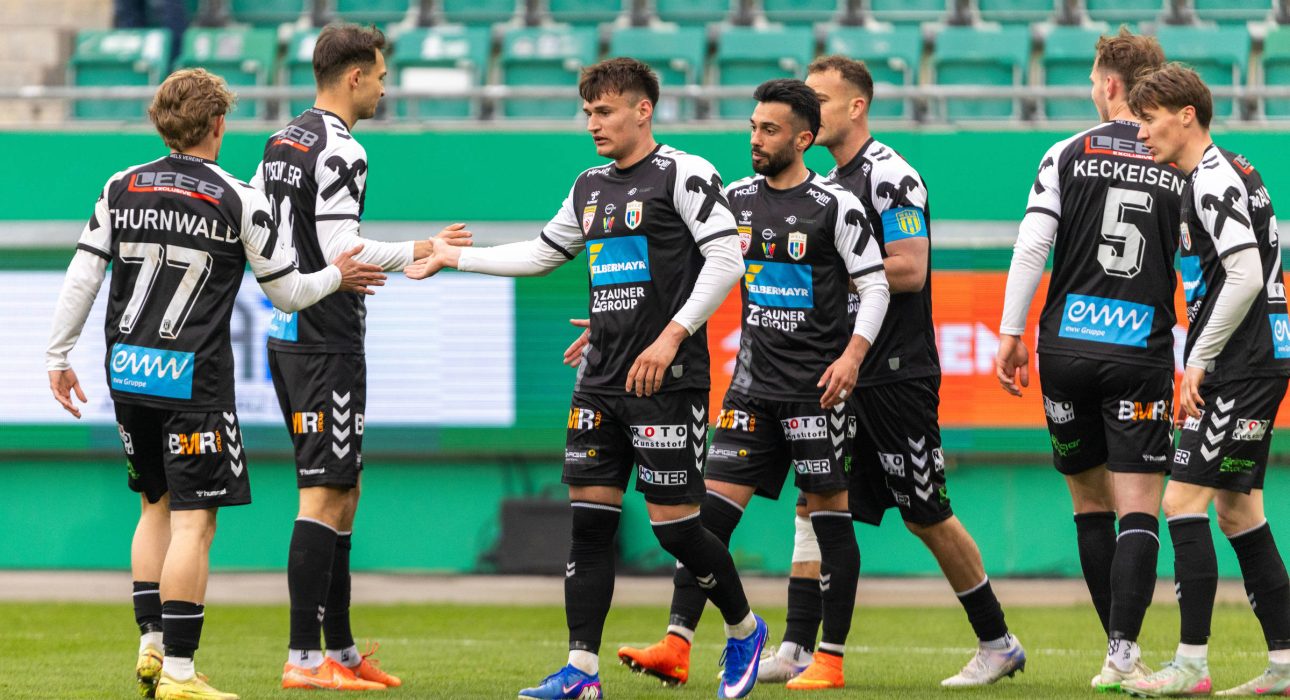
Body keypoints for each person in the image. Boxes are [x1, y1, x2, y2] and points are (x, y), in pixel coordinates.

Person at [404, 57, 766, 700]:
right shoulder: (589, 185)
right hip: (599, 380)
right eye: (587, 112)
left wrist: (670, 336)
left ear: (643, 110)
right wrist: (454, 257)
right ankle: (581, 672)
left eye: (604, 111)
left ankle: (744, 630)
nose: (593, 123)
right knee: (590, 525)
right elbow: (542, 254)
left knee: (675, 529)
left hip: (667, 380)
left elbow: (726, 260)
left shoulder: (684, 173)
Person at [44, 67, 384, 700]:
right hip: (192, 381)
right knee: (194, 524)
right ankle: (179, 672)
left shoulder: (121, 185)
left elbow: (83, 275)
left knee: (153, 506)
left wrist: (57, 354)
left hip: (128, 372)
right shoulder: (239, 197)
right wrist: (339, 274)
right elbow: (289, 292)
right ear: (219, 122)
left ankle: (151, 644)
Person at [616, 78, 891, 691]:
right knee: (706, 520)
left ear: (804, 138)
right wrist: (620, 322)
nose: (756, 139)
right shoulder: (734, 200)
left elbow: (875, 287)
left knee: (830, 520)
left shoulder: (835, 205)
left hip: (816, 392)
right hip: (750, 391)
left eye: (770, 130)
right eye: (752, 127)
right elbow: (689, 274)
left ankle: (829, 659)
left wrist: (852, 357)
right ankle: (677, 644)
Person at [250, 22, 470, 692]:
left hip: (290, 329)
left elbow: (260, 228)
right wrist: (423, 248)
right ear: (353, 76)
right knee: (323, 493)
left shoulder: (281, 140)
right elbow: (343, 249)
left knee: (343, 489)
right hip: (325, 336)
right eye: (379, 75)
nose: (383, 87)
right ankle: (302, 658)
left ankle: (341, 652)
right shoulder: (343, 148)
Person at [994, 29, 1178, 691]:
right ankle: (1123, 657)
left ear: (1111, 85)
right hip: (1140, 351)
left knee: (1089, 506)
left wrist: (1010, 332)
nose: (1092, 90)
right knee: (1139, 509)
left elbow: (1031, 246)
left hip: (1066, 350)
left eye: (1094, 81)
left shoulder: (1066, 152)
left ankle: (1119, 652)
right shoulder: (1176, 160)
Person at [1120, 64, 1290, 698]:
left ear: (1186, 115)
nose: (1141, 132)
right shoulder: (1229, 170)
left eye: (1149, 119)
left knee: (1180, 504)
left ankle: (1191, 663)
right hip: (1258, 359)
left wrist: (1198, 360)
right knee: (1239, 513)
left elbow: (1244, 276)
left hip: (1240, 366)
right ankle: (1285, 663)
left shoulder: (1213, 179)